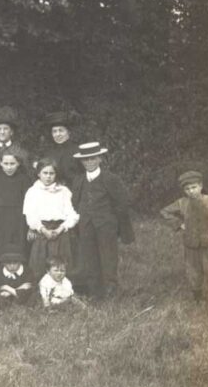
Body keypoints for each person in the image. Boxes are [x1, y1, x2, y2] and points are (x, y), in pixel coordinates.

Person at [70, 141, 133, 299]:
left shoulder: (110, 179)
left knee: (108, 258)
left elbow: (122, 203)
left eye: (93, 158)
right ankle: (95, 293)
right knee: (89, 258)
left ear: (100, 159)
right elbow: (75, 203)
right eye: (86, 159)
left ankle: (111, 291)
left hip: (106, 226)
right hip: (85, 225)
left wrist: (113, 221)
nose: (89, 162)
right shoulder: (78, 180)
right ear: (81, 161)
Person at [160, 170, 208, 302]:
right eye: (187, 189)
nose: (191, 191)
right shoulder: (182, 203)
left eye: (194, 187)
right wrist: (179, 224)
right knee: (193, 270)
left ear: (200, 186)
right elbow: (164, 212)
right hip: (191, 243)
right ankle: (197, 297)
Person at [24, 158, 79, 280]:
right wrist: (42, 229)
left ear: (56, 174)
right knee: (40, 262)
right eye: (45, 173)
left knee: (61, 261)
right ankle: (40, 290)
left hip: (60, 230)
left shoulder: (64, 191)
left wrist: (60, 229)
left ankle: (63, 289)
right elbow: (30, 215)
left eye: (51, 173)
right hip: (42, 231)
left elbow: (71, 214)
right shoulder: (33, 192)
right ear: (38, 174)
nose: (48, 177)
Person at [0, 153, 32, 271]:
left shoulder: (24, 180)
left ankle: (19, 274)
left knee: (19, 246)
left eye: (12, 164)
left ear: (18, 164)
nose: (9, 167)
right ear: (0, 163)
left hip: (19, 220)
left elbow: (29, 202)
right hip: (0, 219)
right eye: (6, 164)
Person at [39, 111, 81, 185]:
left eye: (61, 130)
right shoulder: (48, 153)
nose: (57, 134)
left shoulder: (77, 151)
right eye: (54, 131)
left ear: (68, 132)